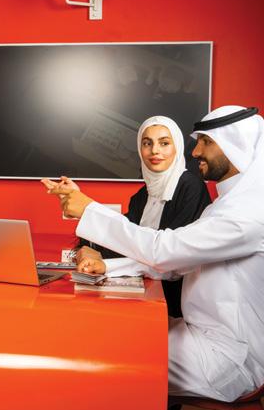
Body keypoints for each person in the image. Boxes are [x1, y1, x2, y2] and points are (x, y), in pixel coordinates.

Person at [48, 105, 264, 404]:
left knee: (95, 358)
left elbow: (165, 251)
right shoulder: (228, 204)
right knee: (98, 331)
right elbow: (177, 265)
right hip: (199, 334)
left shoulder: (249, 213)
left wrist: (89, 209)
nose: (195, 152)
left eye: (206, 142)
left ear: (235, 145)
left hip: (232, 357)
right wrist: (108, 267)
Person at [42, 116, 211, 317]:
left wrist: (88, 210)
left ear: (178, 147)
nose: (155, 151)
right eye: (147, 143)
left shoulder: (191, 188)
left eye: (164, 143)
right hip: (146, 296)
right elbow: (121, 240)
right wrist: (88, 249)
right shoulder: (142, 196)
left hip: (177, 306)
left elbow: (171, 260)